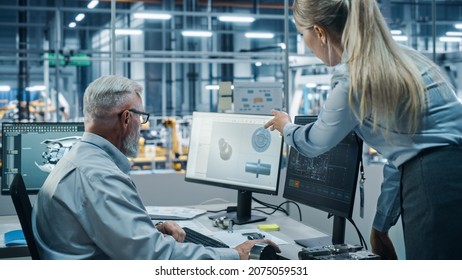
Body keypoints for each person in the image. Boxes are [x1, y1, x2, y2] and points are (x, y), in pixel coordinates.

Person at [264, 0, 462, 260]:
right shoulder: (407, 60)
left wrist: (285, 127)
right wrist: (381, 226)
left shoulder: (354, 78)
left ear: (320, 32)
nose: (305, 44)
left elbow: (314, 142)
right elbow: (404, 155)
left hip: (433, 185)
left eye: (303, 35)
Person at [32, 75, 280, 260]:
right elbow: (154, 257)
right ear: (127, 118)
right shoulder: (99, 176)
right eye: (142, 117)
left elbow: (113, 231)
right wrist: (235, 255)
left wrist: (150, 230)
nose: (142, 125)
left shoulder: (82, 159)